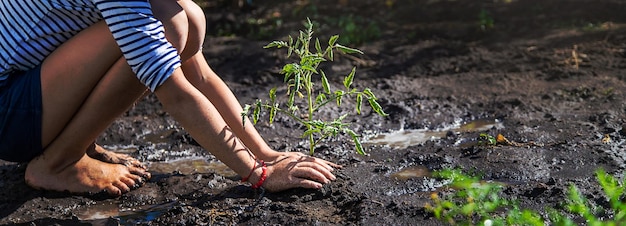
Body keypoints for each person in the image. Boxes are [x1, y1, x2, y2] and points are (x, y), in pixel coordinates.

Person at [0, 0, 339, 197]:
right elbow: (175, 92)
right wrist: (258, 175)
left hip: (27, 98)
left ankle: (78, 146)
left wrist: (266, 154)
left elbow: (200, 76)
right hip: (9, 116)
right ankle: (58, 162)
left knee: (184, 18)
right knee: (166, 29)